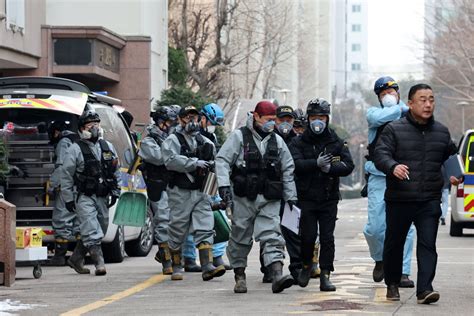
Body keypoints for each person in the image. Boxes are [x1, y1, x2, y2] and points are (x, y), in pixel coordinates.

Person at [374, 83, 459, 303]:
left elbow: (449, 155)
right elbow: (380, 154)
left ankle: (424, 289)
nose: (428, 104)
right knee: (394, 243)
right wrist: (393, 166)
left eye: (431, 99)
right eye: (422, 99)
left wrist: (454, 174)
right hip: (400, 198)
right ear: (410, 103)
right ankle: (392, 283)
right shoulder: (394, 129)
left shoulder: (441, 131)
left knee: (428, 244)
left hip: (429, 198)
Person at [215, 100, 297, 294]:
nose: (272, 124)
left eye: (274, 120)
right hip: (244, 198)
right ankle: (240, 275)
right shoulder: (238, 137)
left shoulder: (277, 141)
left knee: (272, 234)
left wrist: (291, 196)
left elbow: (287, 168)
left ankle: (277, 275)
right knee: (240, 237)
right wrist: (224, 187)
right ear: (257, 117)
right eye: (268, 120)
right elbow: (222, 160)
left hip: (269, 198)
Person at [289, 98, 354, 291]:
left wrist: (331, 169)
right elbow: (294, 164)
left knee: (327, 238)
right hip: (306, 197)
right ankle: (307, 265)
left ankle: (326, 274)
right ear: (308, 119)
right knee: (308, 237)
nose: (318, 121)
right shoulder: (299, 141)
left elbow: (348, 165)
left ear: (327, 119)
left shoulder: (335, 141)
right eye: (314, 117)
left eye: (321, 117)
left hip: (328, 197)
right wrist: (314, 164)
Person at [161, 105, 226, 282]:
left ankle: (207, 266)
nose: (192, 121)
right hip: (180, 192)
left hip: (201, 192)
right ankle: (176, 265)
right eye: (188, 117)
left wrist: (215, 193)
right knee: (177, 229)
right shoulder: (172, 140)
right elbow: (169, 160)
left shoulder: (206, 142)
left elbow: (214, 167)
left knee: (206, 227)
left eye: (195, 118)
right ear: (181, 120)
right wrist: (193, 163)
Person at [363, 76, 415, 288]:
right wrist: (401, 110)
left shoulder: (411, 114)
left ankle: (402, 271)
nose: (388, 96)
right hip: (378, 176)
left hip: (404, 177)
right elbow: (378, 120)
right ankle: (380, 259)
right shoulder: (374, 113)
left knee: (406, 227)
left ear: (398, 92)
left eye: (391, 92)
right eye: (383, 94)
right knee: (374, 228)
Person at [62, 110, 121, 276]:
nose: (95, 128)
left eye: (97, 124)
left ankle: (75, 259)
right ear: (82, 129)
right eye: (90, 125)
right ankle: (99, 264)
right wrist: (68, 198)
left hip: (103, 195)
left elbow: (115, 170)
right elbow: (66, 176)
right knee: (91, 229)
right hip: (85, 196)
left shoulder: (108, 147)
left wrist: (116, 190)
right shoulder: (75, 149)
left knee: (99, 228)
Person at [182, 103, 232, 272]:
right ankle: (188, 258)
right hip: (188, 185)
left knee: (216, 218)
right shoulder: (189, 137)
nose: (213, 128)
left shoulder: (211, 139)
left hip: (209, 181)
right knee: (189, 222)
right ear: (202, 119)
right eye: (211, 123)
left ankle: (216, 256)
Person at [139, 106, 178, 275]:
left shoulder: (172, 138)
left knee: (176, 222)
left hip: (173, 185)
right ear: (161, 123)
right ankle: (166, 260)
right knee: (163, 220)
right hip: (157, 185)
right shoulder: (149, 141)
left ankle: (171, 254)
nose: (171, 125)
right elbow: (161, 158)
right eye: (169, 122)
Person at [48, 120, 79, 266]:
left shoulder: (63, 142)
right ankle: (80, 256)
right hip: (82, 189)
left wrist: (52, 186)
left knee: (62, 219)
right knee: (80, 222)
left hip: (68, 187)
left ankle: (59, 257)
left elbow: (61, 167)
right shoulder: (79, 139)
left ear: (55, 132)